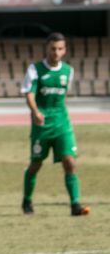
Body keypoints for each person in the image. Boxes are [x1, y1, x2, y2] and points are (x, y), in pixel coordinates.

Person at [21, 32, 90, 216]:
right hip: (41, 124)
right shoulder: (35, 69)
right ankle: (27, 200)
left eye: (60, 49)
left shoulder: (68, 71)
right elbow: (29, 93)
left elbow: (63, 96)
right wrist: (35, 112)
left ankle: (75, 205)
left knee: (70, 162)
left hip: (62, 123)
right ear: (47, 48)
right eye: (53, 48)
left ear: (64, 50)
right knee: (36, 164)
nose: (56, 52)